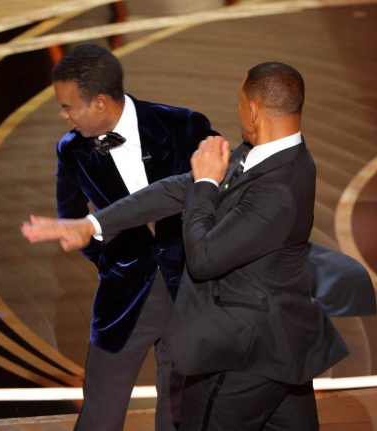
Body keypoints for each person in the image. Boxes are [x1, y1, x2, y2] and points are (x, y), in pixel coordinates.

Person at [46, 44, 217, 431]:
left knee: (180, 416)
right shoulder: (70, 150)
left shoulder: (185, 126)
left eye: (69, 106)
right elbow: (71, 218)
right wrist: (112, 260)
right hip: (123, 299)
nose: (64, 115)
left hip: (190, 293)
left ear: (101, 102)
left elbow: (221, 195)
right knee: (100, 415)